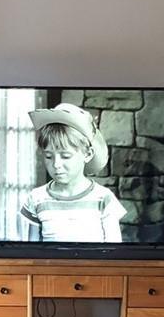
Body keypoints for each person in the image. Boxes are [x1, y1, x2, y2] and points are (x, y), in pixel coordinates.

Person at [19, 103, 127, 242]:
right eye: (48, 156)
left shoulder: (103, 198)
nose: (56, 164)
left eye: (65, 156)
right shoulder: (36, 198)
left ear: (87, 154)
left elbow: (113, 253)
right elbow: (32, 252)